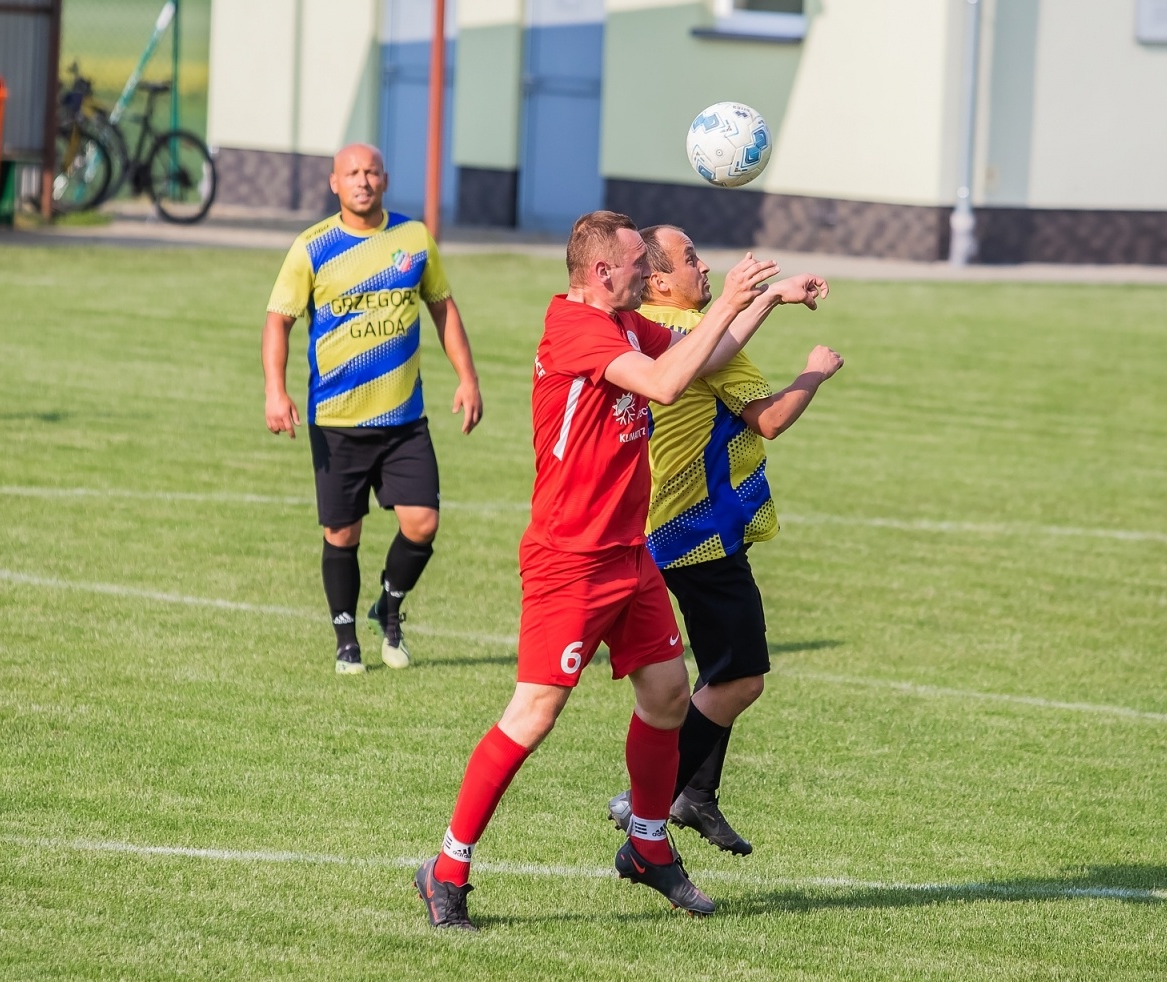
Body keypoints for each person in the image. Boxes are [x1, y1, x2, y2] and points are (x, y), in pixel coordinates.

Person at [414, 210, 827, 929]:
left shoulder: (631, 325)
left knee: (668, 694)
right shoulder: (577, 330)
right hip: (569, 561)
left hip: (627, 554)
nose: (648, 275)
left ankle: (646, 846)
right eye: (639, 265)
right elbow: (666, 386)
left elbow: (706, 349)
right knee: (533, 714)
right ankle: (446, 868)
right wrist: (726, 294)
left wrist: (768, 299)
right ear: (603, 273)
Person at [607, 224, 843, 856]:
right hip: (699, 534)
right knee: (739, 679)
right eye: (691, 259)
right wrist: (814, 373)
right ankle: (650, 801)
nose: (704, 266)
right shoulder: (691, 334)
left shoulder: (653, 327)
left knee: (719, 673)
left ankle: (695, 797)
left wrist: (768, 298)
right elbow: (768, 418)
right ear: (658, 280)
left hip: (666, 530)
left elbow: (711, 338)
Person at [264, 143, 483, 674]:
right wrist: (275, 389)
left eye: (372, 172)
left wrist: (467, 378)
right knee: (343, 534)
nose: (363, 180)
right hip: (337, 420)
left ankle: (389, 607)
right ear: (334, 183)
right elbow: (278, 320)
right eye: (352, 173)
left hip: (404, 419)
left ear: (385, 180)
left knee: (422, 524)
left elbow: (443, 309)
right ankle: (346, 643)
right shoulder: (312, 246)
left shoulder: (413, 238)